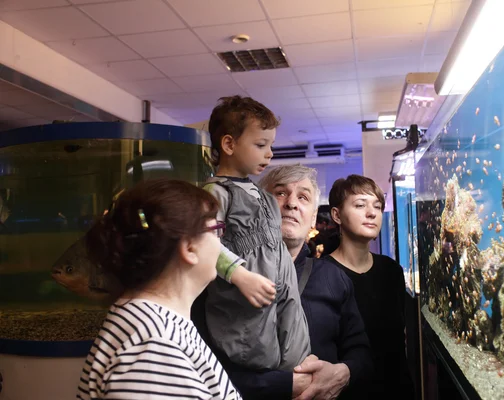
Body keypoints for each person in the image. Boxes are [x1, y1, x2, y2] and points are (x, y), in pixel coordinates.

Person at [192, 164, 373, 400]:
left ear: (313, 219)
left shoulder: (334, 277)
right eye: (279, 193)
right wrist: (282, 384)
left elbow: (361, 351)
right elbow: (199, 364)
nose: (291, 204)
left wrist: (342, 373)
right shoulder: (216, 279)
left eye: (303, 197)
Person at [76, 179, 240, 400]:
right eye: (216, 230)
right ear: (189, 247)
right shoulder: (155, 348)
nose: (220, 243)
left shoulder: (148, 323)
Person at [202, 96, 310, 371]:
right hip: (246, 301)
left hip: (283, 288)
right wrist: (239, 274)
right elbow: (205, 243)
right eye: (260, 145)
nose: (269, 153)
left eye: (270, 145)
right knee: (257, 353)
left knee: (295, 345)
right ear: (229, 144)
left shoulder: (263, 196)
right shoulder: (216, 193)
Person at [326, 174, 414, 398]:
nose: (372, 213)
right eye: (359, 205)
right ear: (336, 215)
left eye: (377, 206)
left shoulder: (392, 271)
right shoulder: (320, 274)